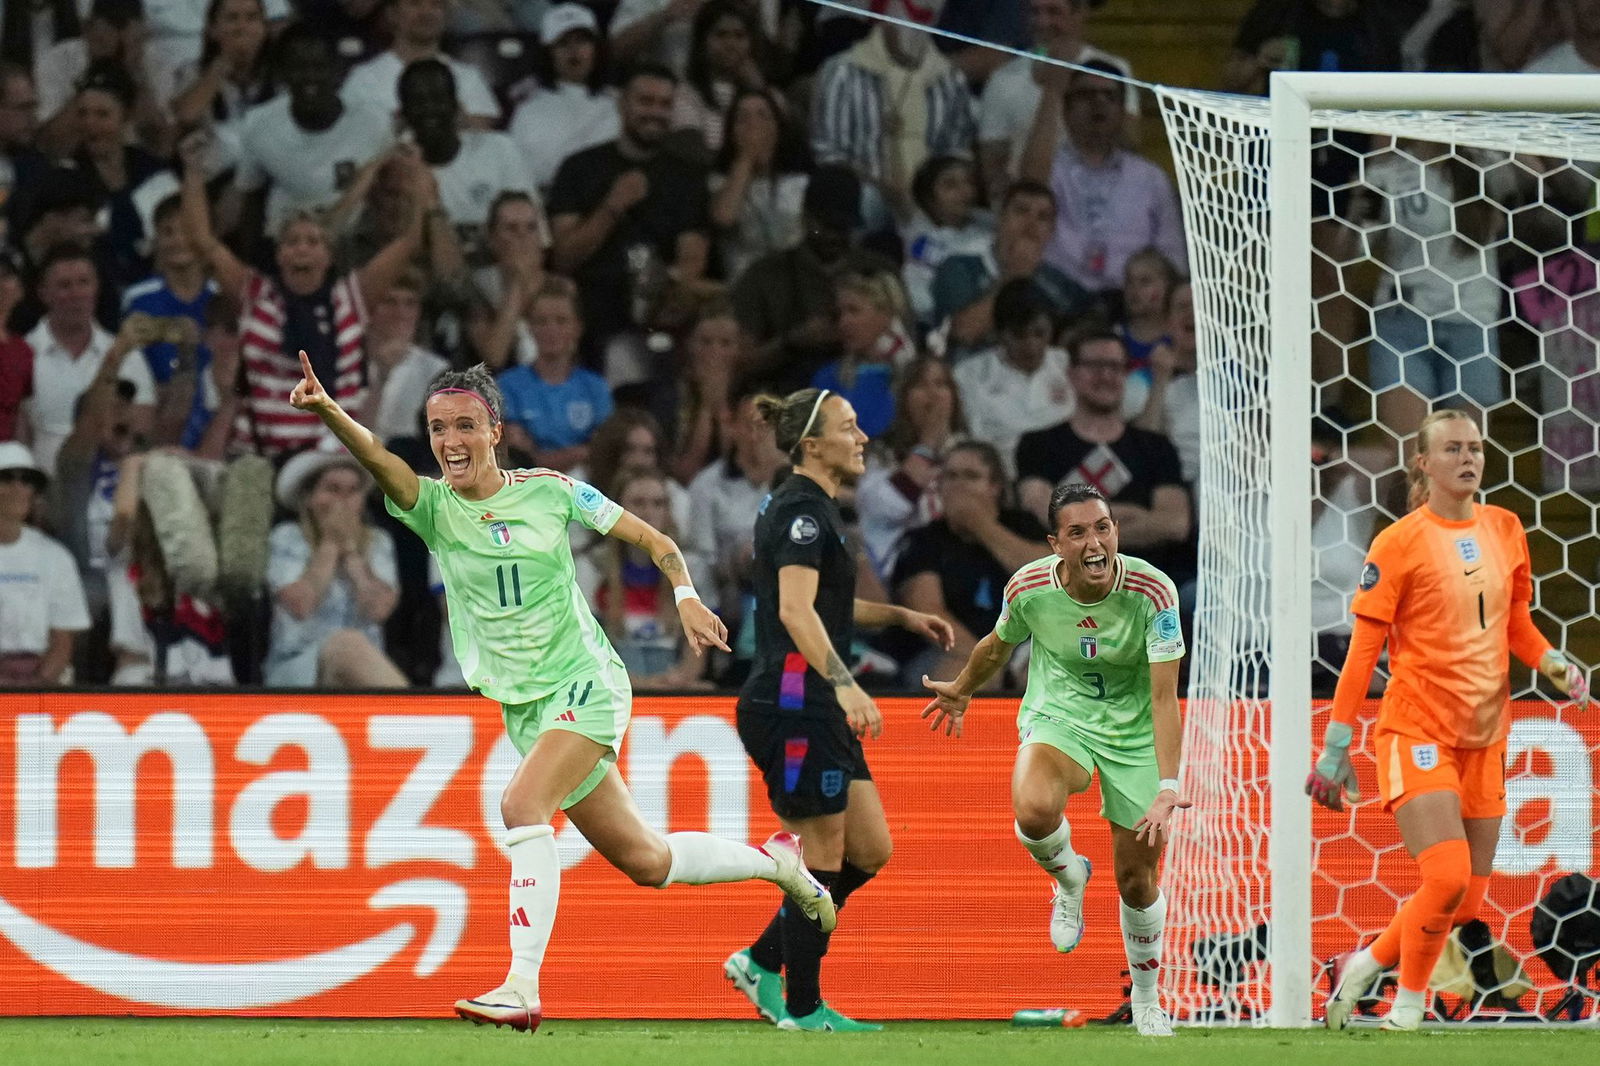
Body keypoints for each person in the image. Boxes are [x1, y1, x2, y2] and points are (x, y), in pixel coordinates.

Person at [288, 354, 838, 1032]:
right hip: (526, 707)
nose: (450, 442)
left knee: (522, 803)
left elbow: (654, 537)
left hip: (586, 681)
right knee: (648, 861)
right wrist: (328, 411)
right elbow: (380, 461)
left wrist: (687, 596)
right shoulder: (431, 510)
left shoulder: (551, 490)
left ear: (495, 429)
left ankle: (521, 986)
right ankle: (778, 863)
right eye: (437, 430)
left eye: (465, 425)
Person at [1309, 409, 1590, 1032]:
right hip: (1417, 728)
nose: (1469, 459)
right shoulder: (1399, 542)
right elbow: (1363, 650)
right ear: (1424, 462)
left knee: (1466, 901)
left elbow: (1515, 623)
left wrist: (1552, 662)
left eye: (1476, 449)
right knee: (1446, 873)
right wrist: (1336, 742)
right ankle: (1409, 1001)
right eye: (1454, 449)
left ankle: (1367, 963)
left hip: (1486, 735)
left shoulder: (1506, 528)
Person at [921, 481, 1189, 1037]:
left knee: (1137, 880)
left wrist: (1168, 784)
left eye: (1103, 528)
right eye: (1078, 532)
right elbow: (998, 644)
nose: (1095, 543)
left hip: (1135, 734)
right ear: (1055, 544)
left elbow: (1165, 696)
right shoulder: (1030, 589)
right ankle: (1069, 879)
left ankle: (1146, 1000)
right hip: (1060, 717)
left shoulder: (1153, 591)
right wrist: (965, 687)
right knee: (1033, 808)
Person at [724, 386, 954, 1032]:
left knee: (870, 848)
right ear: (812, 445)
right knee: (821, 853)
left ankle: (762, 961)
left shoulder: (812, 508)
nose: (864, 438)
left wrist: (899, 615)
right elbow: (796, 613)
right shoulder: (803, 511)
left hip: (811, 698)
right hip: (795, 698)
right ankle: (802, 1007)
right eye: (849, 428)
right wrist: (848, 683)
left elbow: (819, 606)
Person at [546, 62, 712, 359]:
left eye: (664, 104)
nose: (655, 112)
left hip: (661, 308)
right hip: (589, 307)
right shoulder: (579, 167)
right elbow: (563, 257)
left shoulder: (687, 176)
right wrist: (613, 205)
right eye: (645, 102)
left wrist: (664, 286)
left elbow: (692, 257)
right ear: (622, 105)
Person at [1019, 61, 1186, 295]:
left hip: (1130, 302)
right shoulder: (1046, 169)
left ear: (1122, 112)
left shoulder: (1150, 178)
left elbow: (1173, 258)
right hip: (1055, 296)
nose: (1099, 102)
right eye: (1087, 95)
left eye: (1110, 96)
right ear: (1066, 109)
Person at [892, 440, 1049, 685]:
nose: (959, 486)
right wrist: (985, 658)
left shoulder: (1023, 525)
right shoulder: (924, 539)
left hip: (1023, 647)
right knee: (967, 674)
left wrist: (981, 525)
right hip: (950, 650)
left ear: (994, 487)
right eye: (951, 477)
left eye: (971, 476)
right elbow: (926, 608)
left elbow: (1053, 579)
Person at [264, 449, 406, 688]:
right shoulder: (287, 538)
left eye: (352, 492)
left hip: (363, 674)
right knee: (345, 644)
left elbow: (379, 609)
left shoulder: (378, 542)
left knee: (350, 646)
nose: (343, 501)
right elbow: (301, 605)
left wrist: (351, 552)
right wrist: (330, 544)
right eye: (332, 489)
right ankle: (413, 718)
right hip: (296, 670)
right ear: (308, 498)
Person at [978, 0, 1139, 199]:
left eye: (1054, 12)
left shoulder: (1113, 70)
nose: (1042, 22)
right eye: (1035, 12)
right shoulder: (1003, 79)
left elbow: (1128, 146)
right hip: (1032, 206)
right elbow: (993, 166)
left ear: (1079, 13)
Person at [953, 277, 1074, 479]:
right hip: (1001, 481)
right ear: (1000, 334)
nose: (1031, 345)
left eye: (1039, 333)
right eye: (1019, 335)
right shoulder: (968, 375)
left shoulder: (1068, 365)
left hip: (1068, 478)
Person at [0, 440, 91, 684]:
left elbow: (63, 640)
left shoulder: (55, 557)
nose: (18, 488)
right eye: (7, 478)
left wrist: (33, 689)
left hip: (42, 682)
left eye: (27, 480)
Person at [508, 4, 618, 194]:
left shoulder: (617, 105)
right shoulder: (529, 109)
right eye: (563, 43)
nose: (574, 50)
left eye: (582, 41)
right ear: (549, 53)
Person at [341, 0, 500, 125]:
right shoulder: (364, 78)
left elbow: (483, 132)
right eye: (414, 3)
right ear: (392, 14)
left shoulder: (467, 76)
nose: (427, 12)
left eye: (436, 4)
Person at [810, 269, 914, 441]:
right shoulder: (827, 379)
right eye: (840, 314)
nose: (844, 322)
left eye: (854, 311)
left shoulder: (916, 378)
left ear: (885, 315)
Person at [901, 156, 993, 328]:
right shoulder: (920, 243)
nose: (965, 191)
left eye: (969, 183)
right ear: (928, 198)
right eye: (951, 185)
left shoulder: (987, 224)